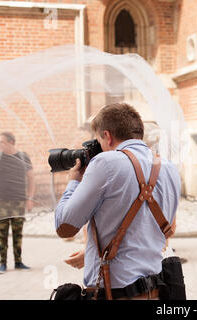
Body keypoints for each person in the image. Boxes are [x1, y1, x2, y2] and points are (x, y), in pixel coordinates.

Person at [55, 102, 180, 300]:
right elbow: (165, 229)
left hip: (116, 295)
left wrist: (73, 182)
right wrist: (92, 253)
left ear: (107, 136)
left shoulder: (105, 163)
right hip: (155, 292)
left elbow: (65, 227)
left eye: (97, 142)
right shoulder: (169, 167)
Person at [0, 132, 34, 274]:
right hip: (1, 202)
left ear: (11, 142)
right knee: (2, 234)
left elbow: (31, 178)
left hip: (18, 202)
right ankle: (3, 263)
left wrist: (30, 198)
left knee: (17, 234)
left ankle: (18, 262)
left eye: (2, 142)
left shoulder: (23, 157)